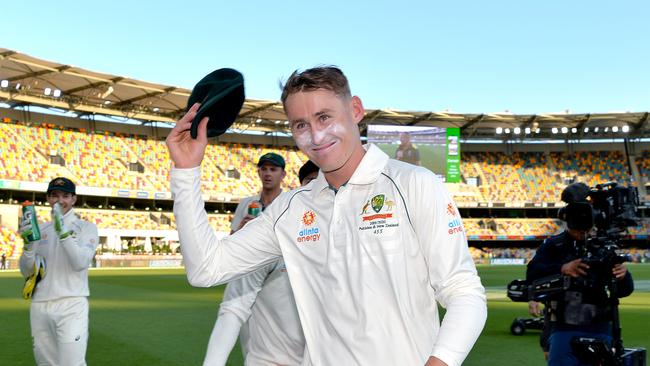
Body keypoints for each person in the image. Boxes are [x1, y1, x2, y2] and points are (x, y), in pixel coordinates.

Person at [168, 66, 486, 366]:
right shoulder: (290, 210)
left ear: (356, 110)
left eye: (324, 117)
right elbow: (205, 269)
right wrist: (186, 171)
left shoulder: (414, 184)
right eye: (301, 125)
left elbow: (464, 292)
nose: (316, 137)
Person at [203, 153, 306, 366]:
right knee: (246, 337)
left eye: (273, 169)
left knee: (283, 339)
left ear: (283, 174)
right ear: (258, 172)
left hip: (280, 279)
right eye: (264, 169)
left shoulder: (290, 203)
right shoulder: (246, 203)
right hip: (248, 278)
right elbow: (232, 243)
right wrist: (242, 230)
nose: (268, 173)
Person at [526, 183, 634, 366]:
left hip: (600, 327)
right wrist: (562, 268)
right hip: (564, 327)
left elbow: (624, 290)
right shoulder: (554, 245)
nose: (582, 232)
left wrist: (623, 276)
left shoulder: (604, 246)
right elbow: (533, 274)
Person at [19, 177, 99, 366]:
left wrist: (63, 233)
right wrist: (29, 246)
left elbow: (80, 262)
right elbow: (26, 271)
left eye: (65, 196)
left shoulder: (86, 228)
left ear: (73, 199)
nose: (59, 200)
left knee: (72, 363)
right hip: (40, 305)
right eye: (54, 195)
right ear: (48, 198)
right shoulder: (40, 229)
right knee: (46, 364)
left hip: (71, 304)